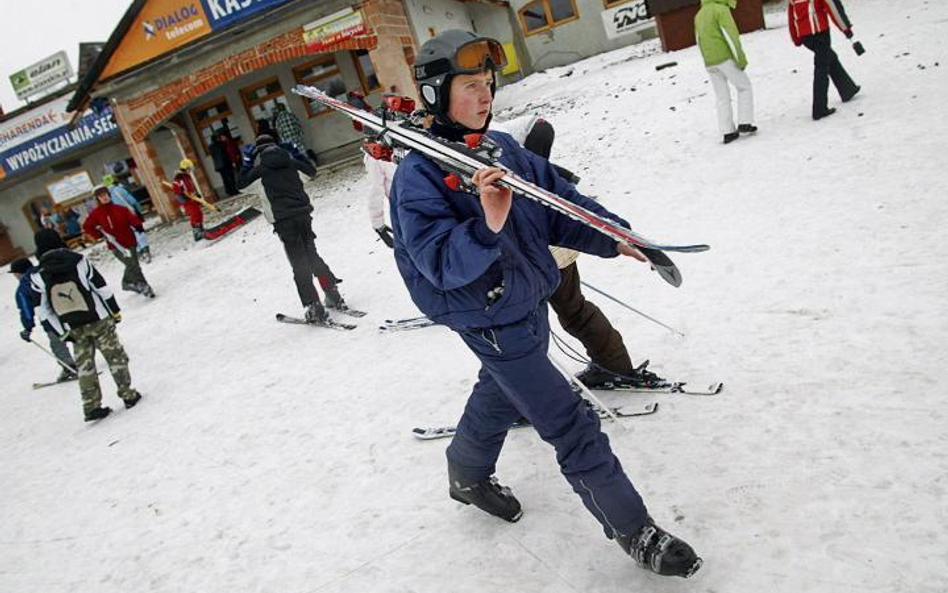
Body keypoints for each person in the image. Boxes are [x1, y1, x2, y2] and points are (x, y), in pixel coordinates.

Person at [389, 30, 701, 578]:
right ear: (437, 93)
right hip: (486, 316)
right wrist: (487, 219)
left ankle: (465, 473)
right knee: (570, 422)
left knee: (501, 392)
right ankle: (635, 530)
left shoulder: (503, 149)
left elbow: (558, 204)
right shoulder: (418, 174)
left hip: (526, 297)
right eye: (470, 86)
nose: (486, 97)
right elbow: (439, 263)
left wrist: (615, 236)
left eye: (488, 84)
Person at [30, 228, 142, 422]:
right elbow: (101, 288)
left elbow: (43, 311)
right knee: (115, 357)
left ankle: (91, 407)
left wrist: (61, 333)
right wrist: (114, 311)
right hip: (98, 318)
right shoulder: (79, 261)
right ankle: (128, 394)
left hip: (72, 326)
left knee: (84, 366)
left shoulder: (38, 276)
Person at [237, 133, 348, 323]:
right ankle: (333, 294)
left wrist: (246, 163)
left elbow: (240, 186)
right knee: (312, 255)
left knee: (299, 263)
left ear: (258, 152)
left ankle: (314, 307)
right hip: (304, 216)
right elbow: (311, 172)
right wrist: (297, 154)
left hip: (283, 221)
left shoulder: (259, 172)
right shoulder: (292, 164)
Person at [695, 0, 757, 143]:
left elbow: (698, 39)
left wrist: (706, 60)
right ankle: (745, 123)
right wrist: (740, 59)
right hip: (725, 58)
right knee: (744, 87)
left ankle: (727, 131)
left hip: (710, 62)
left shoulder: (699, 15)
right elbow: (730, 36)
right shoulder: (721, 10)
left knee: (722, 97)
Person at [788, 0, 860, 120]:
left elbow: (791, 17)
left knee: (829, 57)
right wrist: (846, 29)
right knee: (821, 68)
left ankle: (847, 89)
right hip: (820, 32)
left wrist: (796, 37)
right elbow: (833, 9)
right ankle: (819, 109)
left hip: (806, 36)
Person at [10, 256, 77, 382]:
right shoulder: (45, 272)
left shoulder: (23, 287)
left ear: (19, 273)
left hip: (49, 317)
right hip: (69, 309)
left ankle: (70, 367)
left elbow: (26, 310)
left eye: (15, 274)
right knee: (79, 334)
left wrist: (27, 328)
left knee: (57, 343)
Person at [83, 185, 155, 297]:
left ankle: (128, 282)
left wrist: (137, 225)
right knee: (131, 264)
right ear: (98, 199)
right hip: (116, 245)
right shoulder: (97, 214)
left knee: (134, 264)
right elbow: (87, 226)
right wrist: (98, 234)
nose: (104, 197)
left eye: (106, 194)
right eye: (101, 196)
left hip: (129, 241)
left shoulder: (120, 209)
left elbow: (132, 219)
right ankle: (143, 285)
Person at [103, 174, 150, 261]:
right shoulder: (119, 190)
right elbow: (132, 201)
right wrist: (139, 211)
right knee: (138, 232)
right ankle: (145, 249)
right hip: (130, 214)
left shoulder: (105, 197)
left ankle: (138, 252)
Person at [171, 159, 206, 241]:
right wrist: (187, 198)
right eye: (189, 169)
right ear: (185, 168)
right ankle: (196, 232)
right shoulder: (179, 179)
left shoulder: (187, 176)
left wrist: (196, 195)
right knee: (194, 214)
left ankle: (200, 228)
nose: (190, 171)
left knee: (199, 213)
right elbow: (180, 191)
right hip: (187, 201)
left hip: (192, 198)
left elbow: (190, 187)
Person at [209, 130, 240, 197]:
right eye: (218, 137)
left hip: (218, 166)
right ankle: (234, 191)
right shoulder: (221, 144)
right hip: (225, 164)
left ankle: (228, 191)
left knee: (225, 179)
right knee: (230, 178)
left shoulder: (211, 147)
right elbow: (226, 153)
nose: (219, 138)